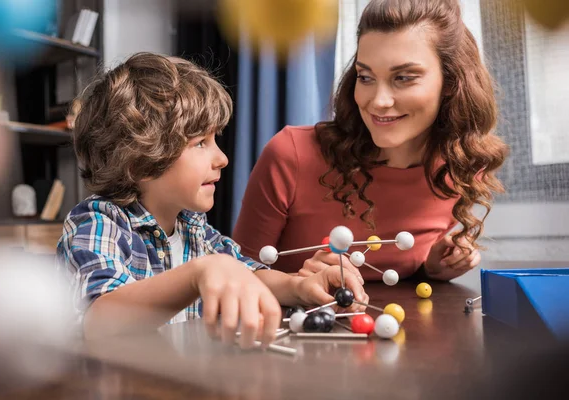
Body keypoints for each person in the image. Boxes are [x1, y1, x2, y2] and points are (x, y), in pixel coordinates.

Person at [56, 53, 368, 349]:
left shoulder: (193, 227)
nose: (222, 158)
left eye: (215, 139)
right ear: (139, 161)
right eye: (201, 143)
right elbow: (100, 320)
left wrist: (299, 286)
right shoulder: (97, 223)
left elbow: (248, 274)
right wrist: (199, 273)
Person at [233, 0, 508, 283]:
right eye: (365, 77)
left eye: (403, 78)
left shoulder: (458, 168)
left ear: (450, 82)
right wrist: (298, 285)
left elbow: (394, 280)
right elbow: (236, 278)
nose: (378, 101)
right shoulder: (291, 154)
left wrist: (431, 269)